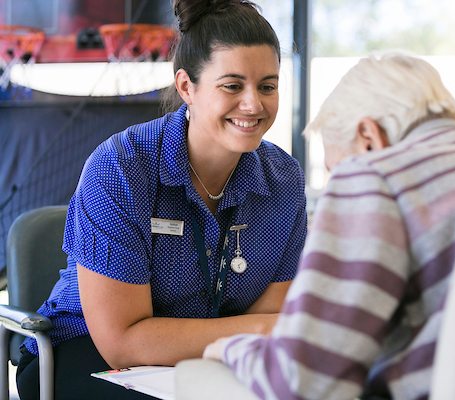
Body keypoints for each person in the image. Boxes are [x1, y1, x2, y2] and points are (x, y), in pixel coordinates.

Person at [203, 52, 455, 399]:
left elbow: (307, 382)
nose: (340, 179)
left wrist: (231, 349)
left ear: (368, 137)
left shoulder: (374, 174)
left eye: (336, 168)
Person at [16, 1, 307, 399]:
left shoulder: (284, 180)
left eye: (267, 86)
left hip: (211, 357)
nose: (253, 104)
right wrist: (258, 331)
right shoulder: (120, 167)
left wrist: (258, 334)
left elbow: (273, 314)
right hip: (83, 351)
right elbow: (122, 342)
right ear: (187, 86)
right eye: (232, 85)